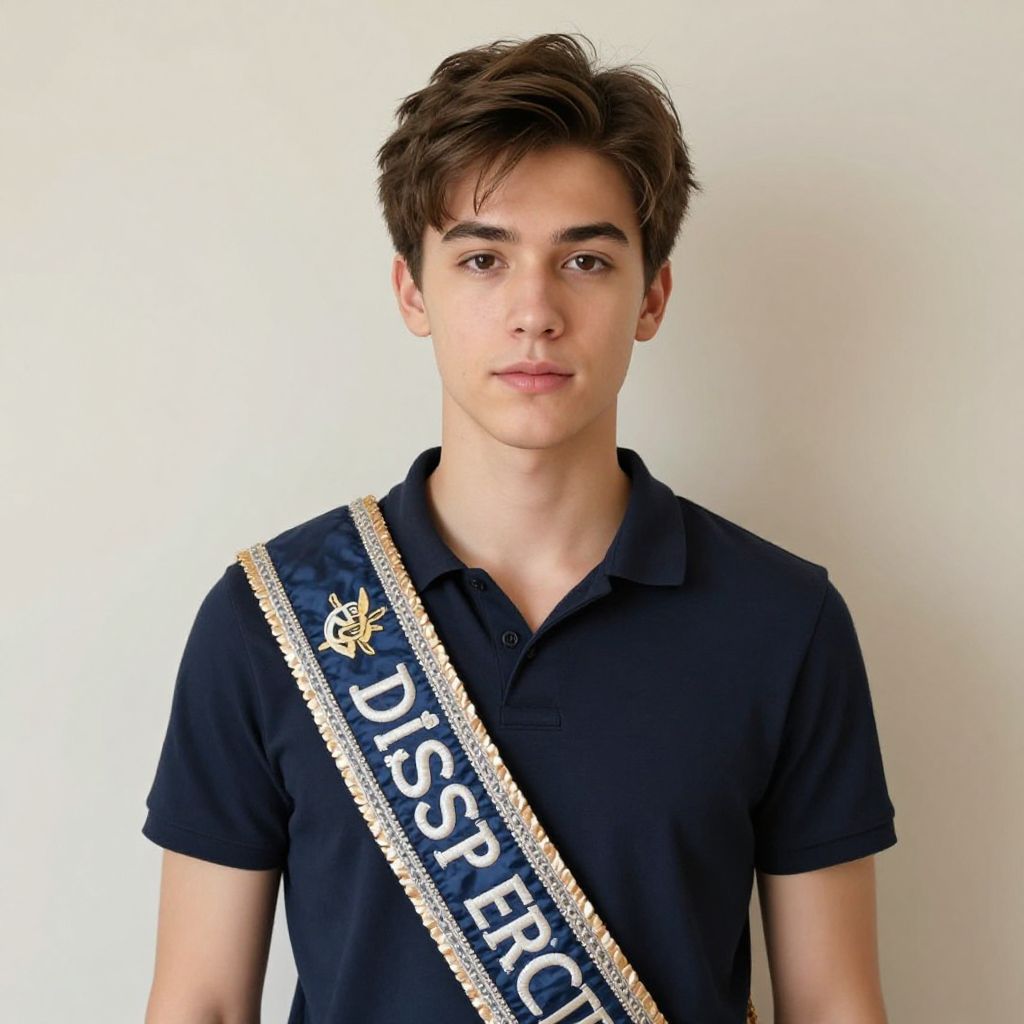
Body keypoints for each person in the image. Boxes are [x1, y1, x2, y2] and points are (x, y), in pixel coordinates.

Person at [142, 32, 897, 1024]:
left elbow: (834, 1002)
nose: (534, 310)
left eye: (585, 259)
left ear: (651, 296)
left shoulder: (783, 621)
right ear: (413, 291)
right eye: (482, 259)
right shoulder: (274, 617)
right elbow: (199, 1001)